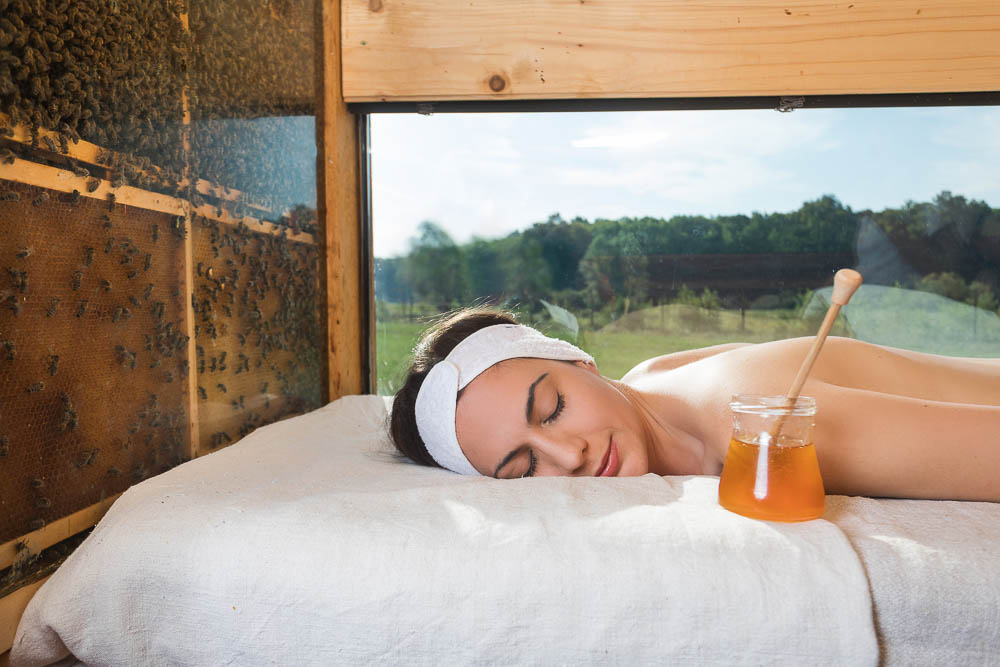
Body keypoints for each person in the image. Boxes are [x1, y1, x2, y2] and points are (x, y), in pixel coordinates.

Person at [390, 306, 1000, 502]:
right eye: (525, 467)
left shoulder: (762, 428)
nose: (567, 454)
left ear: (581, 361)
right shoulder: (648, 378)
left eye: (552, 408)